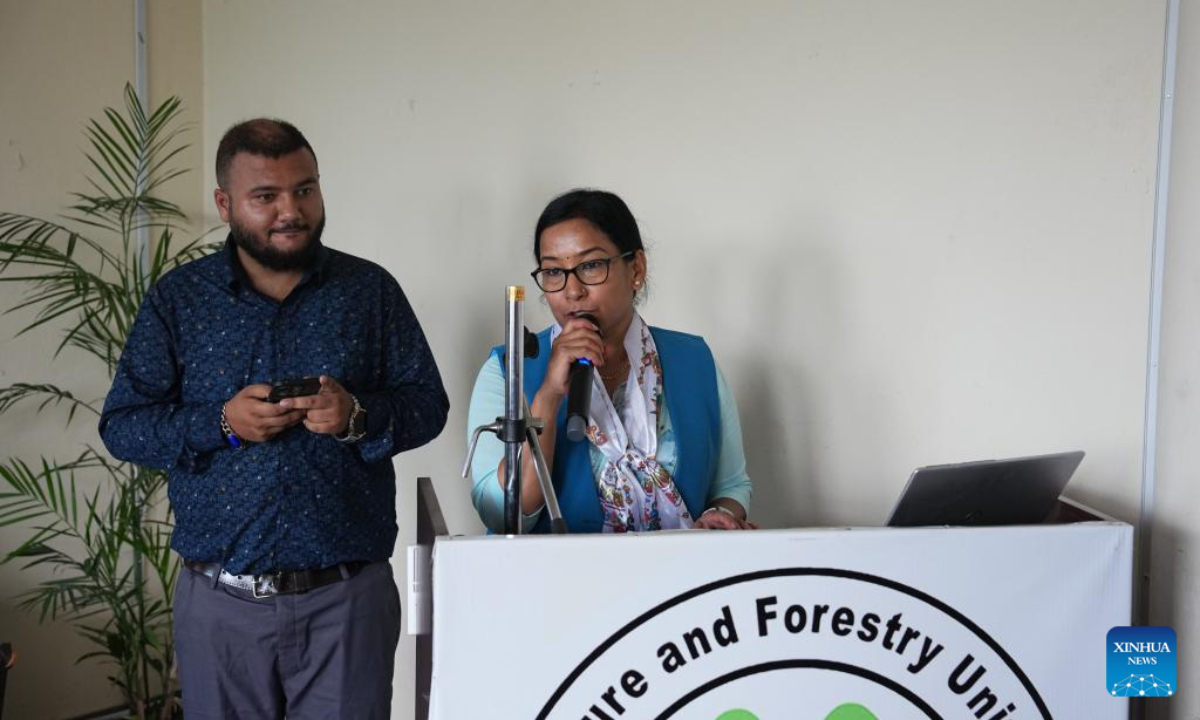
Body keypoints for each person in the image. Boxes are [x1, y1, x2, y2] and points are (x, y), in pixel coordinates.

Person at [99, 118, 448, 718]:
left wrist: (355, 415)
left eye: (305, 189)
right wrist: (222, 425)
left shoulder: (369, 291)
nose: (291, 210)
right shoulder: (179, 300)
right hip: (220, 606)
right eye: (266, 196)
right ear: (225, 203)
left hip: (347, 600)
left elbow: (428, 406)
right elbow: (124, 424)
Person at [467, 189, 753, 534]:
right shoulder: (507, 370)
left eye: (590, 266)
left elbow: (731, 484)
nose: (572, 290)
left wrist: (719, 513)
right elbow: (500, 515)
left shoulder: (694, 360)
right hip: (556, 582)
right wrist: (548, 397)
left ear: (636, 268)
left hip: (683, 580)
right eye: (554, 272)